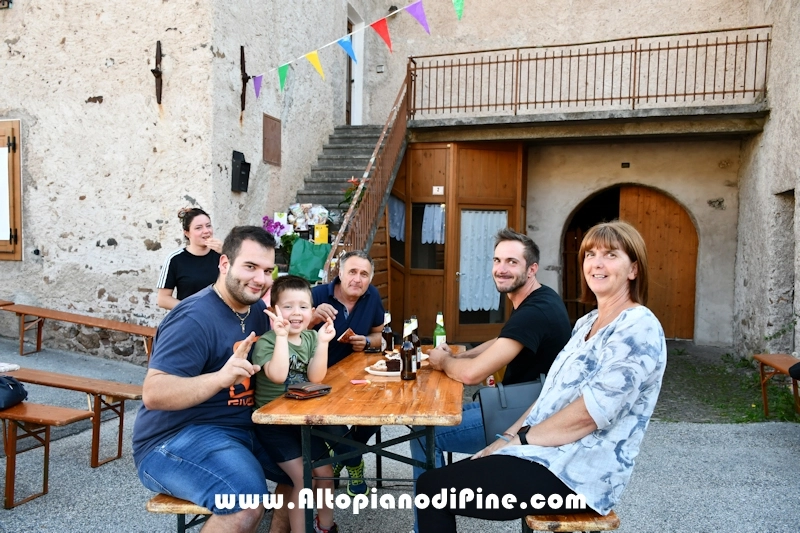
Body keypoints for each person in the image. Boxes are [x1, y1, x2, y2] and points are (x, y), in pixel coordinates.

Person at [416, 220, 668, 532]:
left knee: (433, 490)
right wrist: (505, 440)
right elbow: (550, 395)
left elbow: (589, 415)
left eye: (611, 255)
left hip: (577, 475)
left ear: (634, 269)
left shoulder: (637, 326)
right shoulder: (586, 323)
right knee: (440, 482)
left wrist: (519, 440)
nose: (597, 263)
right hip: (544, 455)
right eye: (590, 255)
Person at [133, 226, 290, 533]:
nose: (260, 279)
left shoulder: (257, 310)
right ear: (224, 264)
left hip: (244, 428)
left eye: (267, 270)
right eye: (250, 266)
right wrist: (219, 378)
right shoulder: (193, 317)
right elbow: (154, 393)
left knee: (309, 468)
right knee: (245, 503)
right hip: (173, 440)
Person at [410, 228, 572, 481]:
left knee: (424, 434)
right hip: (522, 402)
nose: (501, 269)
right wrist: (460, 356)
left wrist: (444, 360)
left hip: (527, 416)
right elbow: (504, 340)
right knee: (434, 416)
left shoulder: (534, 312)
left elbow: (471, 376)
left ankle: (433, 499)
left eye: (512, 262)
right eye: (497, 260)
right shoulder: (541, 297)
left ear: (532, 269)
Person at [252, 275, 339, 533]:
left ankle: (325, 527)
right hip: (274, 425)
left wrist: (323, 343)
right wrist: (281, 336)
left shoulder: (311, 338)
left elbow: (315, 377)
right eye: (288, 306)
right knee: (303, 478)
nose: (296, 313)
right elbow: (278, 376)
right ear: (274, 310)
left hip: (302, 421)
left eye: (303, 306)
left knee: (326, 472)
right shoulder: (267, 342)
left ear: (312, 311)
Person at [309, 249, 386, 496]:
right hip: (317, 378)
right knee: (329, 418)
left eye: (364, 274)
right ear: (340, 273)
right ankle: (354, 462)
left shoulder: (372, 296)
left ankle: (341, 453)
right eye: (352, 272)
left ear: (370, 279)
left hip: (357, 374)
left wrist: (368, 341)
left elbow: (379, 334)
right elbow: (290, 334)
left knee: (381, 408)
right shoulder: (317, 295)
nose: (357, 279)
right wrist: (312, 318)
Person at [156, 207, 223, 310]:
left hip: (220, 316)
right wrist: (193, 310)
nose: (206, 231)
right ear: (187, 233)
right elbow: (163, 299)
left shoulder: (223, 255)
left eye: (208, 225)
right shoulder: (175, 259)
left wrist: (227, 252)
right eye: (198, 228)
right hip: (189, 317)